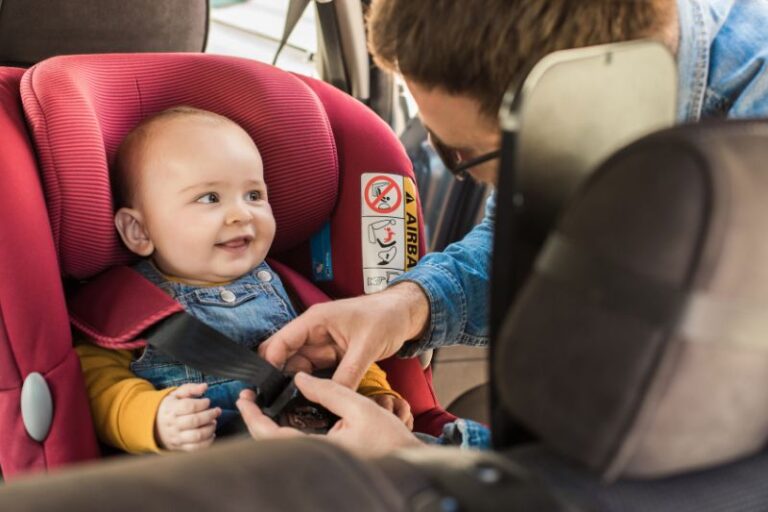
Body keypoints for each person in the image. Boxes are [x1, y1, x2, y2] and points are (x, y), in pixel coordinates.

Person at [236, 0, 768, 453]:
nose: (459, 168)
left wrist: (421, 463)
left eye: (466, 152)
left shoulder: (752, 159)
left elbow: (698, 468)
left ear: (583, 100)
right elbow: (524, 234)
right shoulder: (587, 99)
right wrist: (406, 306)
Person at [75, 106, 412, 454]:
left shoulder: (291, 289)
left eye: (254, 195)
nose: (241, 214)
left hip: (324, 451)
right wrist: (154, 418)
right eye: (209, 198)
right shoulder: (127, 308)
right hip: (219, 468)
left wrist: (373, 393)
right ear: (139, 230)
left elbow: (343, 347)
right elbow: (98, 386)